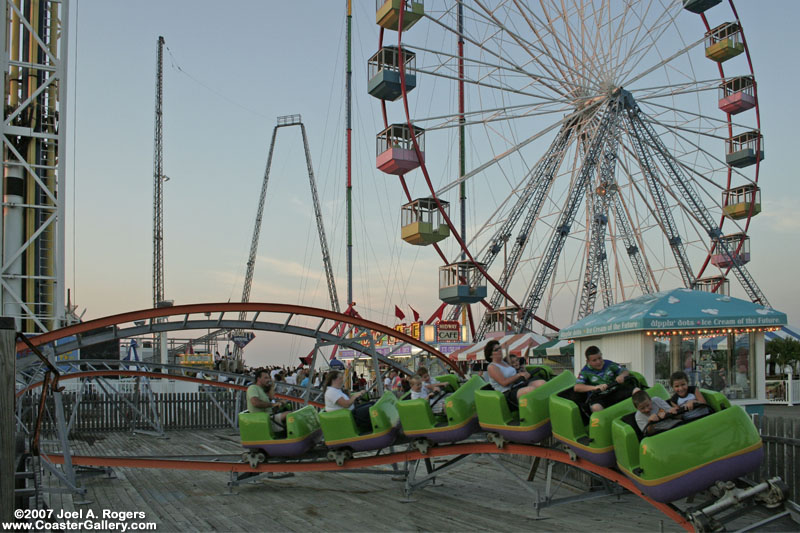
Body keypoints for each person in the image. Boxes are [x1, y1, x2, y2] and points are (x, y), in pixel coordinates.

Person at [574, 345, 639, 412]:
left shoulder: (609, 364)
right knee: (595, 407)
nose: (598, 362)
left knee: (637, 391)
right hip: (599, 396)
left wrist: (622, 376)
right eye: (594, 360)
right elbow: (577, 387)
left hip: (615, 391)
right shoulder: (585, 372)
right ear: (588, 361)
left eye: (600, 358)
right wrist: (595, 387)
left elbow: (625, 371)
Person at [484, 339, 545, 407]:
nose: (500, 350)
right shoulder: (492, 367)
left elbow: (519, 359)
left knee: (542, 383)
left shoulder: (504, 363)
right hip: (507, 393)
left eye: (500, 348)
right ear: (490, 355)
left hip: (518, 385)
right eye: (496, 350)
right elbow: (504, 382)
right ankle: (531, 412)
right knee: (531, 390)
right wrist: (519, 375)